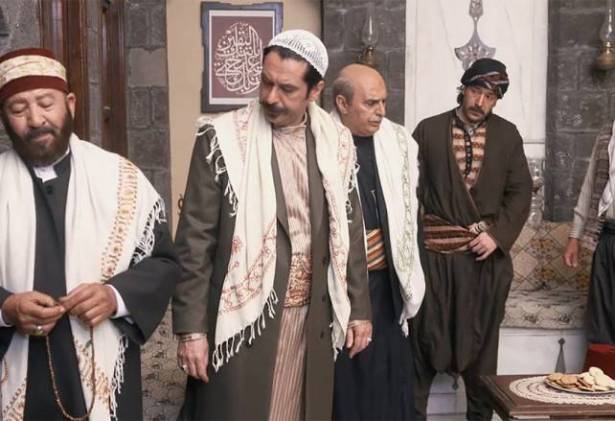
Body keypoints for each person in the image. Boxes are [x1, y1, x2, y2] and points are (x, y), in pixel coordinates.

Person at [173, 30, 372, 421]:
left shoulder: (336, 143)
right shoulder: (222, 139)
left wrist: (359, 310)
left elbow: (349, 230)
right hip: (243, 317)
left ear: (315, 91)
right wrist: (191, 331)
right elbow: (195, 239)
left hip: (312, 313)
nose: (270, 97)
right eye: (265, 82)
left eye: (286, 88)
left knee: (298, 409)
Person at [0, 48, 179, 420]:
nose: (35, 120)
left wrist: (114, 296)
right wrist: (6, 308)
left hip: (103, 364)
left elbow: (162, 263)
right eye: (18, 109)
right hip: (15, 369)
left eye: (46, 104)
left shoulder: (121, 179)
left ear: (70, 104)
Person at [411, 58, 532, 420]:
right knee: (421, 347)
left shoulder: (507, 135)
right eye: (476, 91)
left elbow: (520, 192)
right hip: (433, 262)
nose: (480, 102)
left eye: (490, 97)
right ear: (463, 88)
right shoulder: (428, 131)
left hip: (482, 266)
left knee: (481, 357)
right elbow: (407, 190)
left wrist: (496, 235)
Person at [330, 63, 425, 420]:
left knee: (389, 380)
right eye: (371, 103)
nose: (381, 111)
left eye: (384, 102)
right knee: (349, 383)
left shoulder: (397, 141)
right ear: (342, 103)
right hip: (341, 289)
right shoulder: (320, 142)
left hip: (389, 286)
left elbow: (408, 211)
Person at [564, 119, 615, 374]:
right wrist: (575, 235)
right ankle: (601, 390)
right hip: (607, 238)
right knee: (601, 324)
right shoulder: (607, 133)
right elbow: (589, 186)